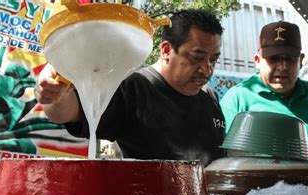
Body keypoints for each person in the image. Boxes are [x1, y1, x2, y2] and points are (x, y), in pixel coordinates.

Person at [35, 9, 226, 166]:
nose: (206, 68)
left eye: (213, 59)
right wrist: (56, 92)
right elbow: (65, 112)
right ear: (166, 50)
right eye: (196, 57)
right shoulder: (133, 87)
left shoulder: (210, 97)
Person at [220, 21, 308, 168]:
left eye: (289, 59)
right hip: (258, 190)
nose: (282, 67)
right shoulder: (238, 98)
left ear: (300, 61)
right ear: (257, 61)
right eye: (274, 59)